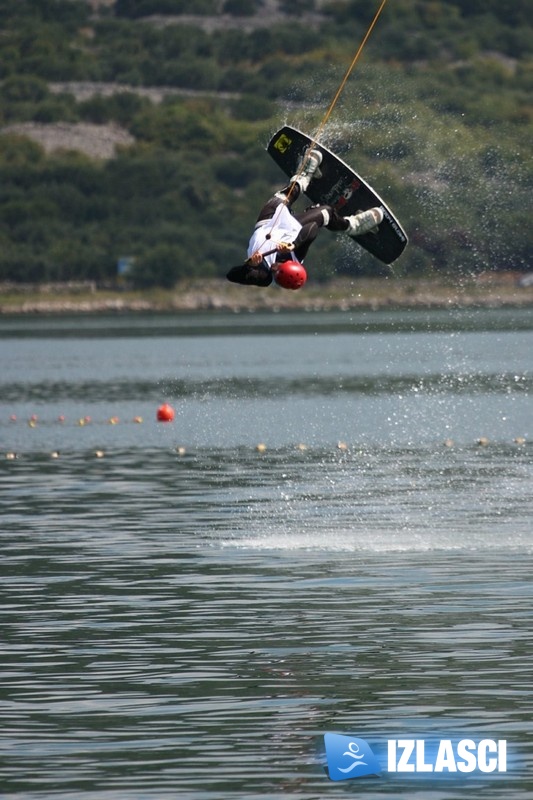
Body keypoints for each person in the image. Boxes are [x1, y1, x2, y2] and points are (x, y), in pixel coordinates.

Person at [226, 148, 384, 288]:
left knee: (285, 195)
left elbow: (231, 275)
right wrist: (293, 245)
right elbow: (312, 229)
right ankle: (354, 226)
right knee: (326, 212)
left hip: (267, 223)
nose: (275, 267)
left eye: (276, 270)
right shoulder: (296, 256)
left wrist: (249, 266)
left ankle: (305, 176)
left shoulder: (262, 276)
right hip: (292, 229)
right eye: (280, 268)